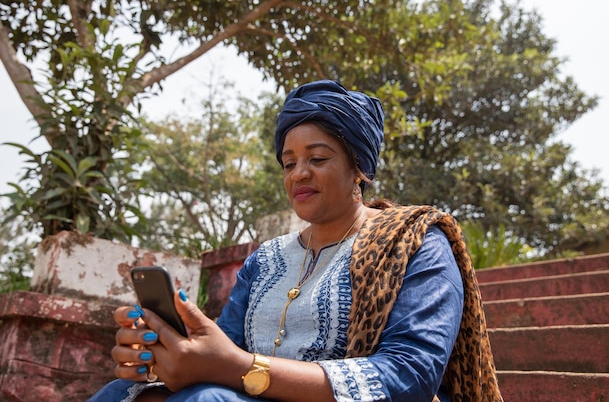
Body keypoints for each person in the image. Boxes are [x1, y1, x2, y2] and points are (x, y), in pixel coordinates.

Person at [88, 80, 502, 402]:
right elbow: (224, 350)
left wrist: (239, 368)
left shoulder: (415, 242)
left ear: (359, 167)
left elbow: (409, 375)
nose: (298, 174)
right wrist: (170, 356)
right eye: (289, 163)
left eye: (317, 159)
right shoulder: (266, 259)